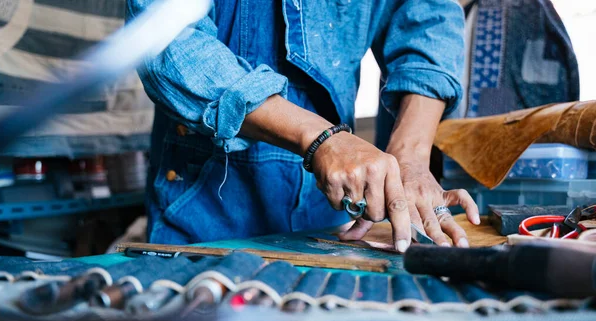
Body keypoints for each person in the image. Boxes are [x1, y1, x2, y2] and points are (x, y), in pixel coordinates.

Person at [127, 0, 481, 251]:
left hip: (329, 221)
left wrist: (410, 158)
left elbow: (429, 20)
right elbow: (168, 41)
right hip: (204, 217)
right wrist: (323, 140)